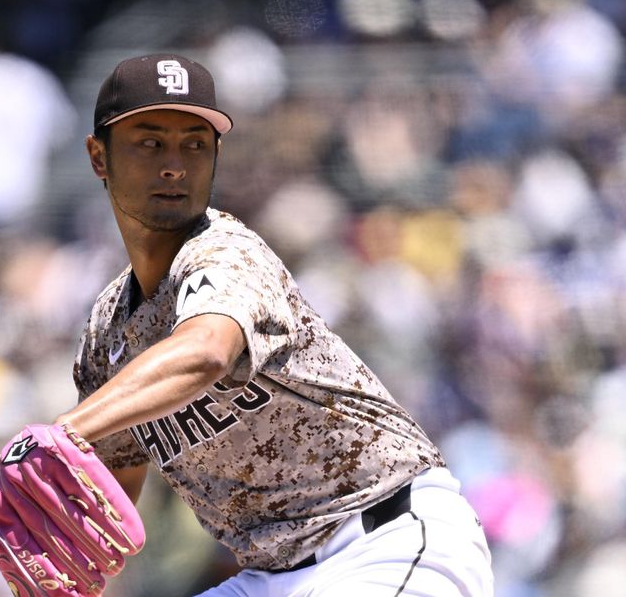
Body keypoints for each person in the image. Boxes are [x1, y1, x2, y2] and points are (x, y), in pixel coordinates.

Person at [55, 53, 494, 597]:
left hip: (385, 541)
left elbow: (207, 350)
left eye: (194, 143)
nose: (174, 165)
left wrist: (64, 431)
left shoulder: (224, 254)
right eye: (149, 142)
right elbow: (110, 500)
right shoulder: (108, 331)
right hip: (270, 579)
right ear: (99, 157)